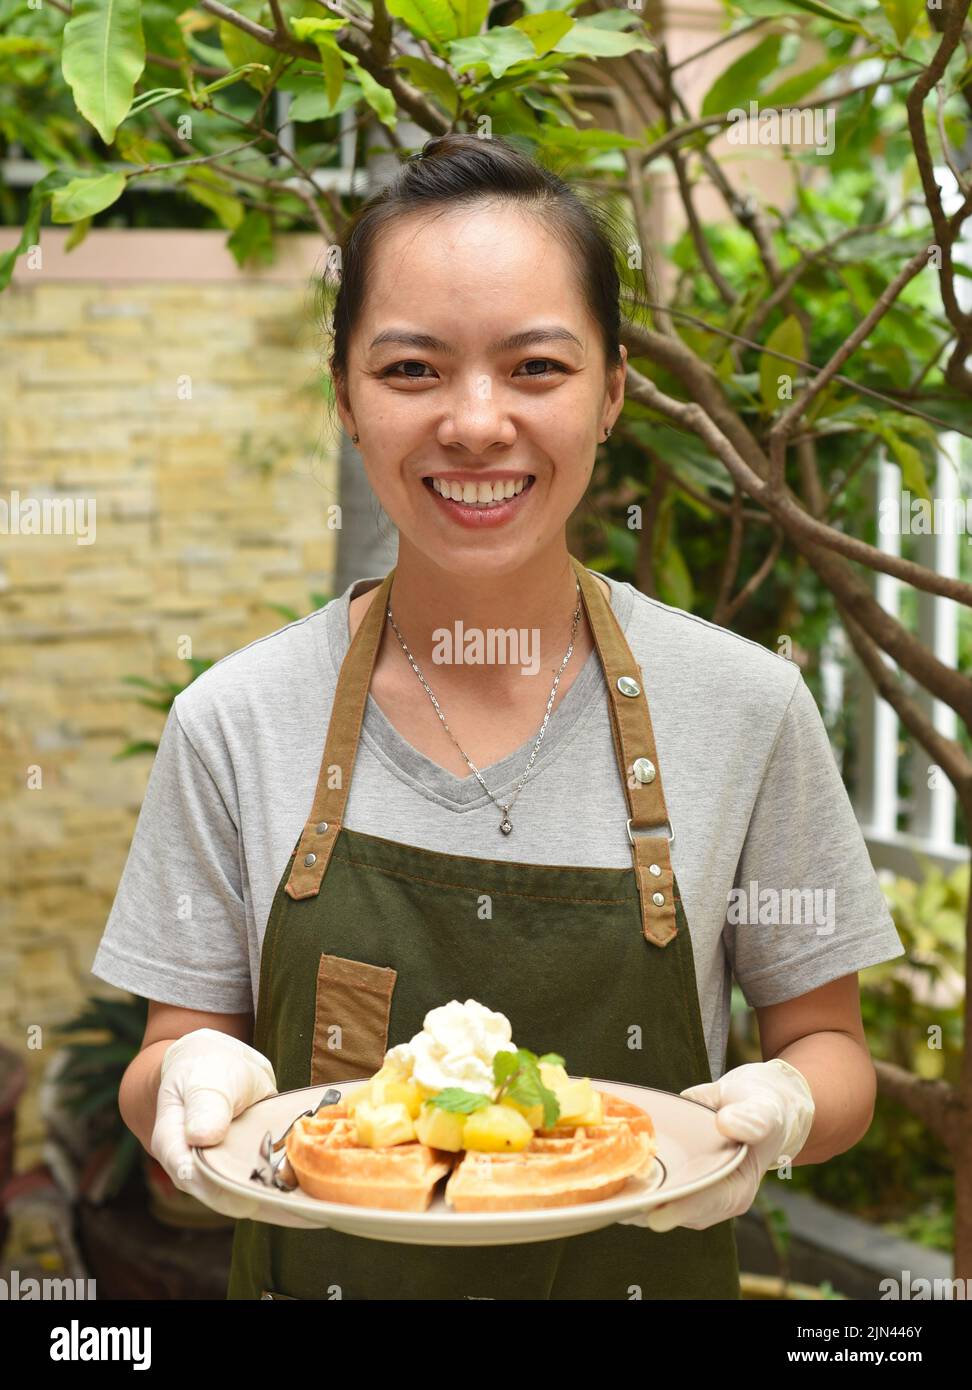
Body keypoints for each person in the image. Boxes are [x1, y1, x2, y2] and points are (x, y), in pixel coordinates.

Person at [93, 133, 905, 1301]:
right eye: (413, 370)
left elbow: (834, 1060)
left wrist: (777, 1109)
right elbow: (167, 1056)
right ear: (345, 400)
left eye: (536, 367)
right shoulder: (235, 718)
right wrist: (186, 1080)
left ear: (615, 390)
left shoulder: (744, 706)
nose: (476, 423)